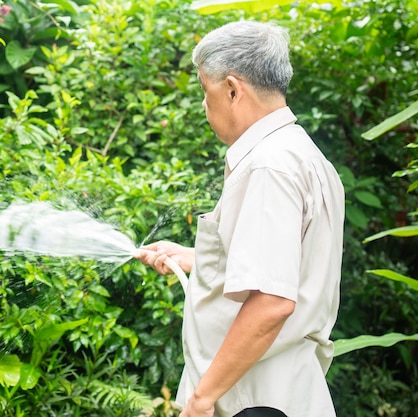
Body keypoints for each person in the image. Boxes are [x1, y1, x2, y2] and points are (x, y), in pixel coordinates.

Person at [134, 21, 345, 417]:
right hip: (278, 392)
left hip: (254, 400)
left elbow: (271, 302)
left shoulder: (268, 167)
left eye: (204, 88)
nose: (202, 103)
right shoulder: (302, 154)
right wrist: (197, 259)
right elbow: (285, 269)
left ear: (232, 89)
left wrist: (201, 397)